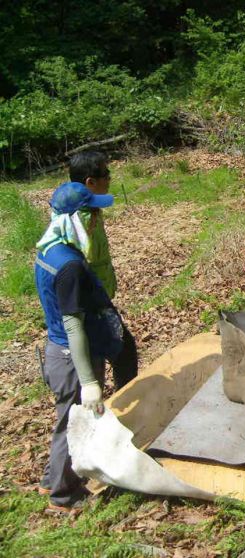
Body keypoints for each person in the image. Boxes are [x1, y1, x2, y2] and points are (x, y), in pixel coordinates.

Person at [34, 181, 127, 513]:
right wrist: (89, 382)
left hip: (56, 349)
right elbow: (73, 324)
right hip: (72, 357)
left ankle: (50, 480)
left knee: (64, 420)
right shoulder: (70, 266)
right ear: (78, 219)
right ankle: (63, 494)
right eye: (93, 214)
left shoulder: (50, 250)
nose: (98, 220)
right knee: (75, 423)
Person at [66, 152, 138, 389]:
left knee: (124, 353)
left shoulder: (92, 210)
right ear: (90, 182)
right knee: (102, 366)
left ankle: (119, 401)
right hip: (88, 306)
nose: (110, 179)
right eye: (106, 175)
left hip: (100, 300)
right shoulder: (77, 221)